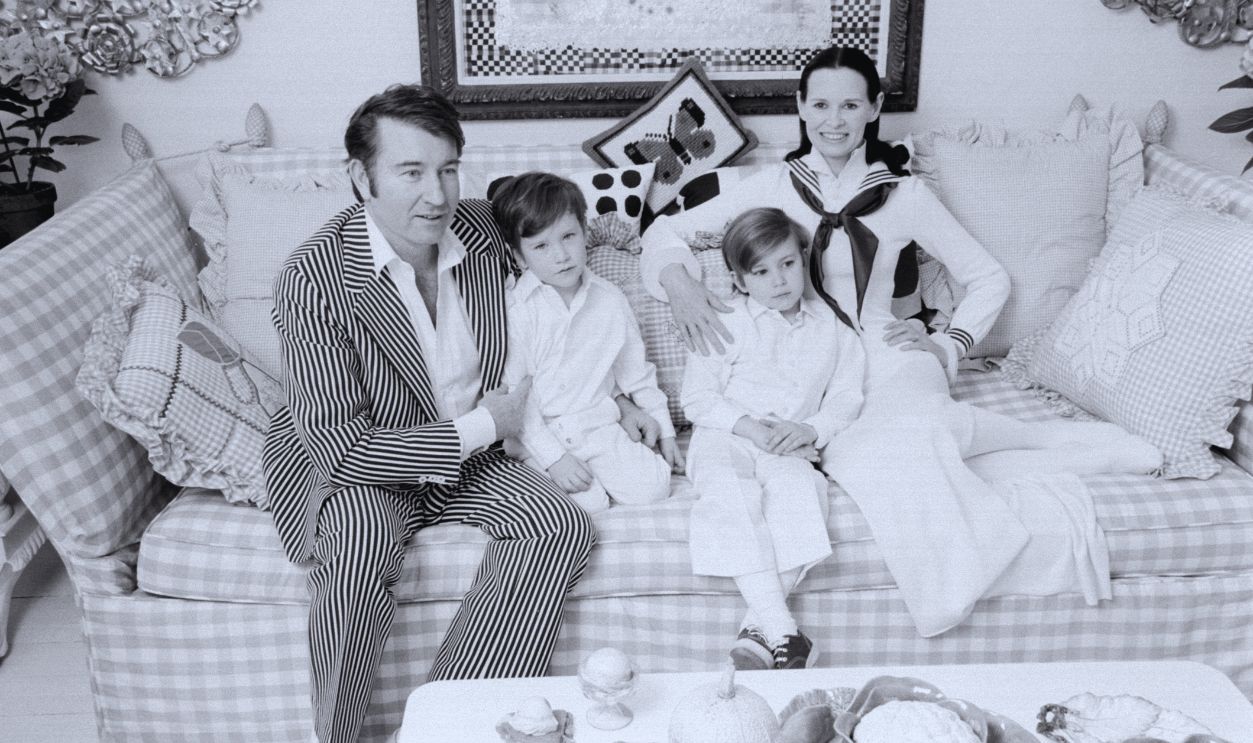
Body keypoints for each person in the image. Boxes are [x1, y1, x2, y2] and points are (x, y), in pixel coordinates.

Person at [641, 46, 1162, 637]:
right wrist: (679, 282)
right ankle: (1037, 445)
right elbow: (664, 231)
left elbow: (989, 276)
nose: (834, 120)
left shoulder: (904, 195)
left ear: (874, 108)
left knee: (897, 447)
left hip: (887, 352)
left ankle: (1050, 447)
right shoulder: (773, 185)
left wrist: (947, 344)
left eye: (850, 104)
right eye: (821, 105)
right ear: (801, 108)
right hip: (813, 360)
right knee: (866, 455)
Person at [261, 85, 596, 743]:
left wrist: (669, 267)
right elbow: (340, 450)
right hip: (369, 463)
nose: (436, 194)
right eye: (410, 171)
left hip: (476, 453)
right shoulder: (312, 277)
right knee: (356, 552)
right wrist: (485, 425)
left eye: (446, 169)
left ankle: (449, 726)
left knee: (557, 524)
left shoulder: (478, 227)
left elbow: (561, 226)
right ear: (360, 176)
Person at [681, 207, 865, 670]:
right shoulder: (727, 321)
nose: (778, 281)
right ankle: (785, 630)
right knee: (729, 497)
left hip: (788, 442)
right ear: (740, 281)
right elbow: (697, 399)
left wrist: (811, 428)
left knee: (802, 494)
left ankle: (759, 631)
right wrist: (749, 427)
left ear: (804, 259)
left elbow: (846, 397)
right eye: (760, 272)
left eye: (787, 264)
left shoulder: (832, 328)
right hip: (729, 435)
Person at [491, 171, 683, 514]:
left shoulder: (610, 298)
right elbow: (518, 397)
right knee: (589, 503)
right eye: (541, 246)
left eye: (568, 236)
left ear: (585, 231)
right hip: (540, 434)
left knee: (655, 486)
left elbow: (636, 372)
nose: (561, 255)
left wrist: (665, 429)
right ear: (519, 257)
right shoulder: (517, 309)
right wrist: (554, 459)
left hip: (597, 425)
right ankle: (540, 477)